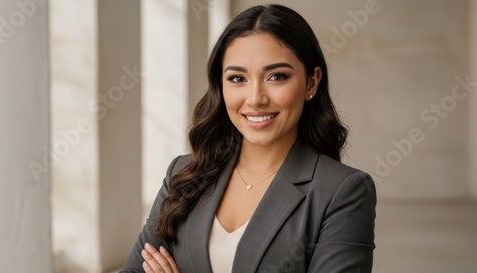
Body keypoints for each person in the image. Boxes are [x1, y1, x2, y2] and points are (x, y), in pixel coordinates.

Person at [121, 4, 376, 273]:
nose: (255, 98)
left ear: (311, 83)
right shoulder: (183, 175)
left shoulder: (342, 191)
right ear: (221, 85)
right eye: (237, 78)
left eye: (277, 76)